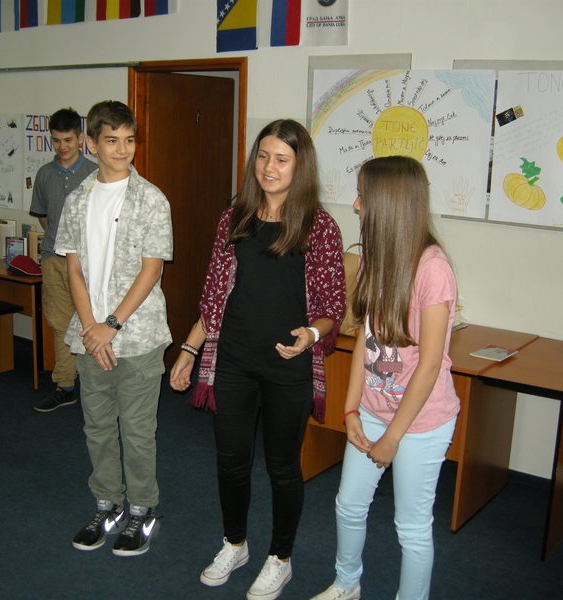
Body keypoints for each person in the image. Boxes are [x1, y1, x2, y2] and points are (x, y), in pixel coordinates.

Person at [170, 119, 346, 600]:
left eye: (281, 159)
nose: (269, 167)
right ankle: (235, 543)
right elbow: (214, 296)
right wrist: (189, 349)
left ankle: (280, 558)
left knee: (283, 466)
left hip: (288, 365)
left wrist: (312, 334)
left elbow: (333, 307)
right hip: (233, 361)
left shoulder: (319, 227)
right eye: (263, 156)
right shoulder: (235, 218)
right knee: (230, 462)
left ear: (300, 166)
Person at [311, 156, 460, 600]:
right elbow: (366, 338)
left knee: (411, 527)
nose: (356, 204)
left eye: (363, 196)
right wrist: (351, 408)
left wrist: (393, 437)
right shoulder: (376, 256)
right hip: (373, 411)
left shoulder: (433, 269)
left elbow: (429, 366)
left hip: (421, 421)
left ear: (388, 203)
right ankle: (346, 584)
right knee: (348, 505)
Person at [54, 100, 172, 557]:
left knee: (137, 431)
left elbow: (151, 270)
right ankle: (108, 505)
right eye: (111, 141)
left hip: (137, 336)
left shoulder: (151, 199)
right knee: (98, 427)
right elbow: (73, 269)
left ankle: (142, 509)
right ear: (92, 143)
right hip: (90, 336)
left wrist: (111, 325)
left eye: (129, 140)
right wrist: (91, 328)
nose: (122, 150)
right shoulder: (78, 200)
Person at [29, 107, 97, 413]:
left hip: (90, 262)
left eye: (68, 140)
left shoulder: (95, 173)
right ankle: (65, 386)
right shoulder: (44, 174)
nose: (62, 146)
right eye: (56, 140)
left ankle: (96, 386)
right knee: (60, 323)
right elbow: (44, 217)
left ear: (81, 138)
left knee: (93, 322)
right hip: (54, 258)